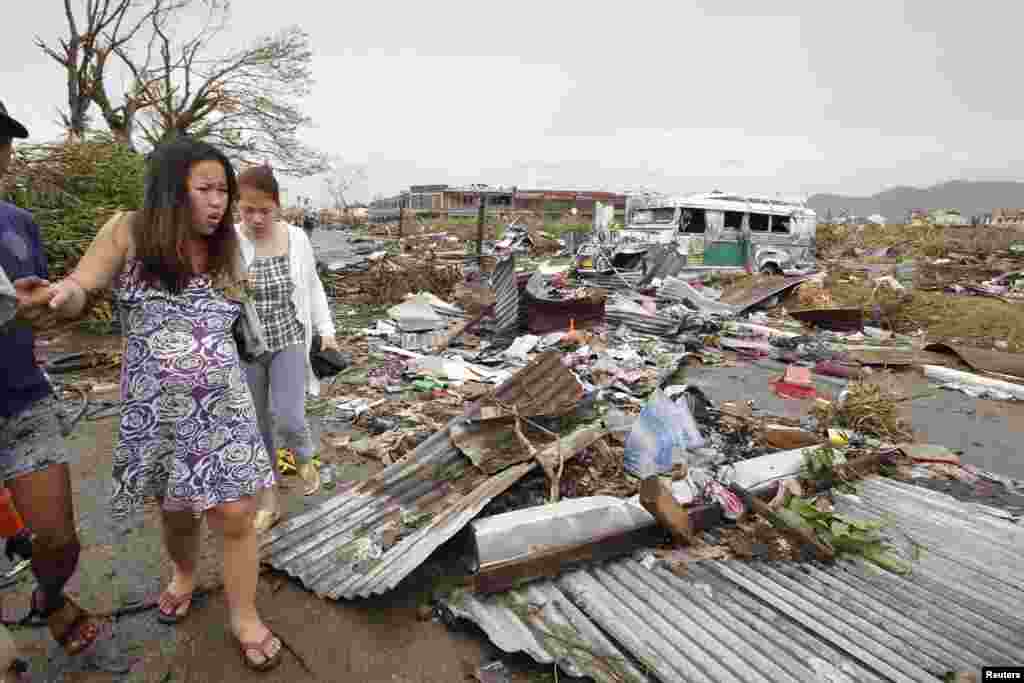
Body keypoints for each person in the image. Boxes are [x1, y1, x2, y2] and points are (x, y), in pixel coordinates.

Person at [39, 137, 283, 671]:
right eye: (206, 189)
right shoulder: (128, 230)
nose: (219, 202)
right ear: (172, 189)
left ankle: (244, 615)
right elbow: (82, 286)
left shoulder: (230, 246)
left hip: (223, 405)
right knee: (177, 512)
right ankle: (185, 574)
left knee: (237, 512)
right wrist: (62, 297)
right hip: (158, 411)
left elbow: (234, 316)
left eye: (224, 190)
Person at [0, 100, 103, 657]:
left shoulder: (19, 223)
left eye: (2, 138)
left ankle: (47, 593)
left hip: (20, 400)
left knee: (60, 541)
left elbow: (47, 304)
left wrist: (62, 303)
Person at [235, 165, 338, 533]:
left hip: (289, 339)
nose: (257, 218)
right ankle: (271, 499)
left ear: (278, 206)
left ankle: (304, 459)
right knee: (258, 425)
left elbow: (312, 287)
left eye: (265, 209)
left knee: (288, 417)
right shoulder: (230, 241)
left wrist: (326, 331)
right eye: (249, 210)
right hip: (247, 347)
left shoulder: (297, 238)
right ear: (238, 206)